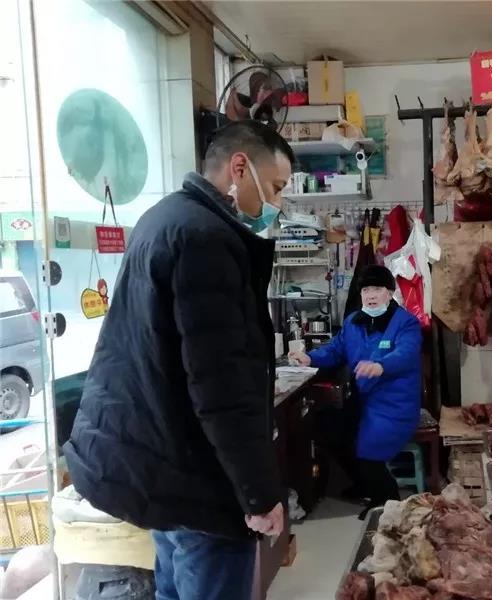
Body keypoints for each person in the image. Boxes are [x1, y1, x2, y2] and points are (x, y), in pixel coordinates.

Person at [64, 120, 294, 600]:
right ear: (239, 168)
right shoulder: (207, 240)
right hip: (196, 481)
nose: (277, 203)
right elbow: (221, 386)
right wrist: (258, 494)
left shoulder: (164, 217)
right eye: (275, 187)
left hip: (163, 467)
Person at [290, 265, 422, 518]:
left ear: (389, 293)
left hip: (395, 405)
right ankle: (365, 483)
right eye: (366, 290)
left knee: (369, 443)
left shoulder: (406, 323)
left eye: (377, 289)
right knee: (327, 428)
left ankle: (386, 499)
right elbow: (335, 350)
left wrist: (381, 366)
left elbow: (406, 353)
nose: (371, 295)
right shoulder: (353, 322)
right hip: (362, 401)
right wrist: (310, 358)